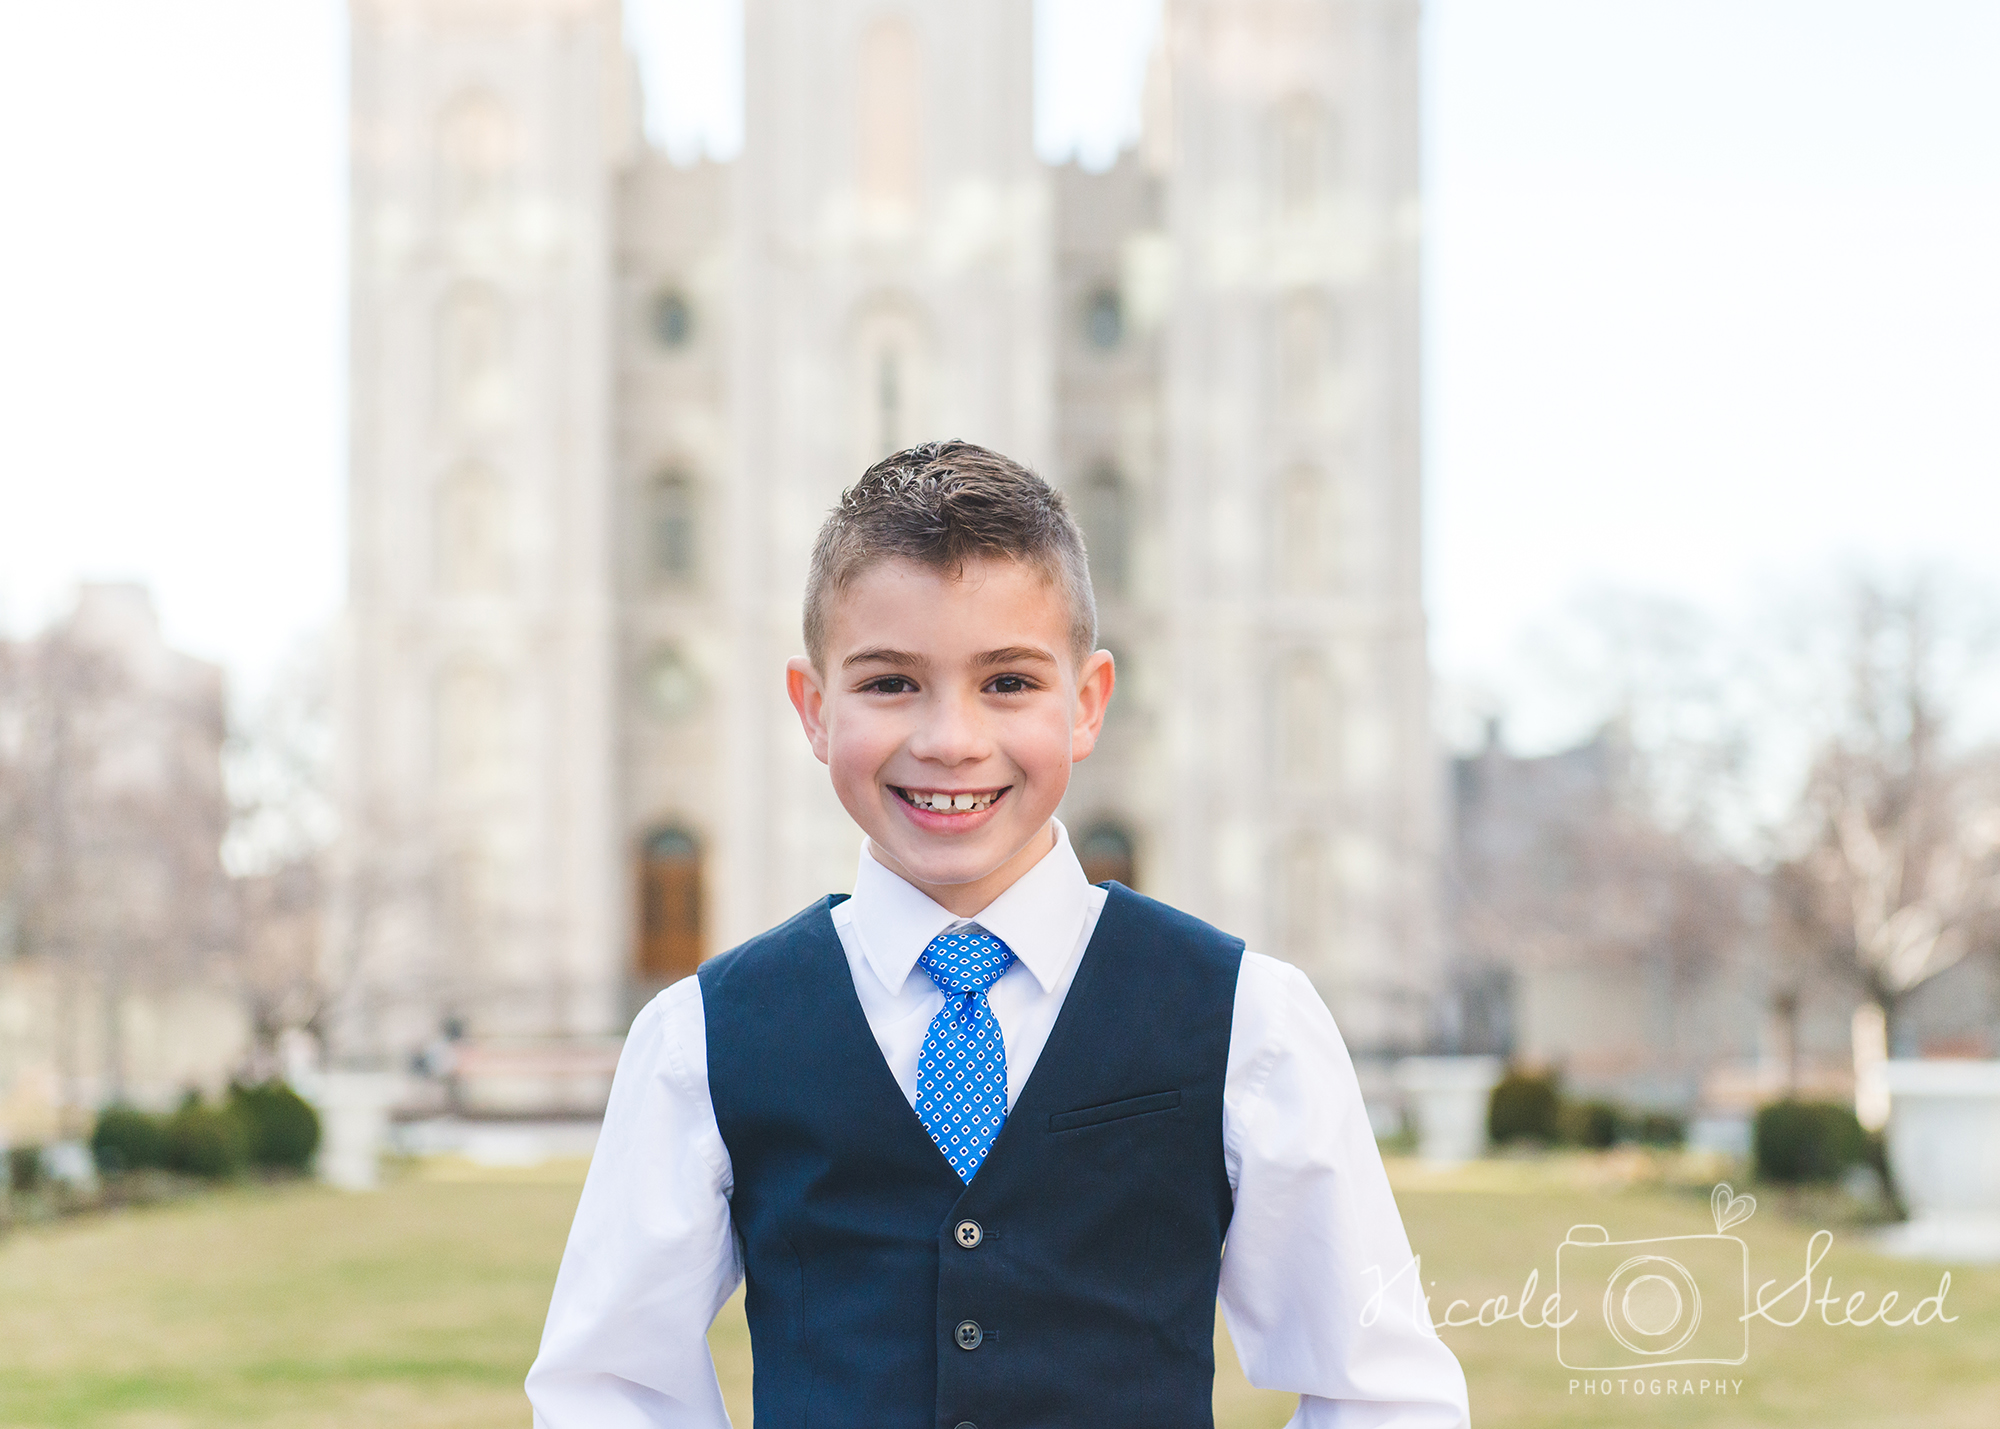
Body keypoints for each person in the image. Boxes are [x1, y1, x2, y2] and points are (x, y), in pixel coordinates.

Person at [526, 441, 1470, 1428]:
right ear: (812, 708)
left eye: (1008, 683)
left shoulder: (1245, 1018)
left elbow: (1380, 1390)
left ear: (1087, 702)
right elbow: (610, 1390)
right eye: (889, 683)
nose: (949, 739)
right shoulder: (702, 1036)